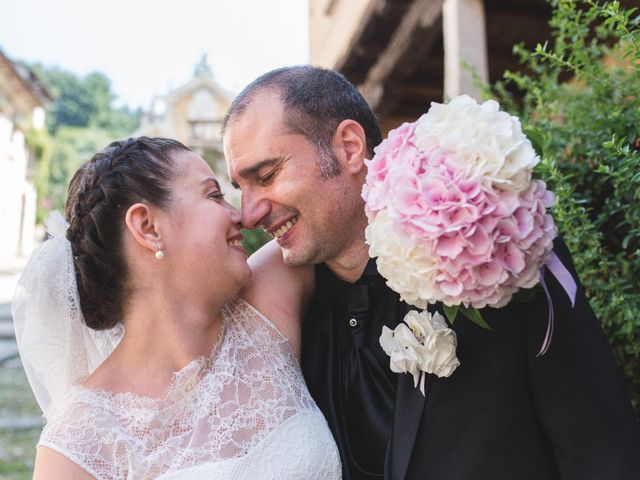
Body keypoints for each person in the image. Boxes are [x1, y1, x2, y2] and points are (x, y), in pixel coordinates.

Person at [222, 65, 640, 480]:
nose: (250, 212)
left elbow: (600, 450)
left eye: (267, 175)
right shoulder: (285, 319)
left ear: (349, 148)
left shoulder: (496, 244)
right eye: (242, 188)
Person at [13, 137, 341, 479]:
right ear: (148, 227)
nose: (241, 216)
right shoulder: (79, 445)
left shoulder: (267, 302)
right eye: (214, 195)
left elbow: (349, 201)